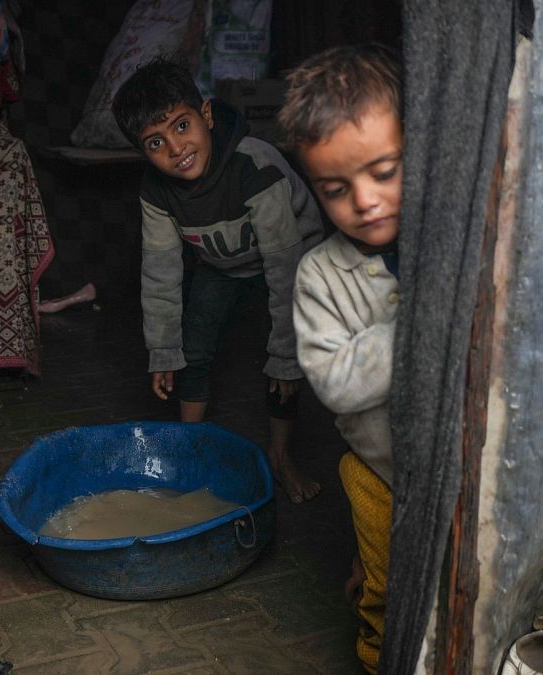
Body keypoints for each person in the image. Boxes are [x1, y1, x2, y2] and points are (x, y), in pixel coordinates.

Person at [111, 58, 325, 503]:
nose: (175, 148)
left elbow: (284, 269)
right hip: (223, 266)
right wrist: (163, 350)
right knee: (192, 346)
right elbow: (160, 272)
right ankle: (189, 452)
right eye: (155, 141)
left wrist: (286, 355)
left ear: (206, 115)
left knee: (284, 364)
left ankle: (281, 457)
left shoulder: (255, 166)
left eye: (182, 125)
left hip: (294, 261)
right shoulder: (156, 191)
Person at [278, 44, 404, 672]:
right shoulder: (320, 276)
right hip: (382, 473)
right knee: (386, 591)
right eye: (336, 188)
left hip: (473, 477)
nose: (366, 200)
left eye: (385, 171)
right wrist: (418, 326)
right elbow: (335, 383)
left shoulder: (467, 238)